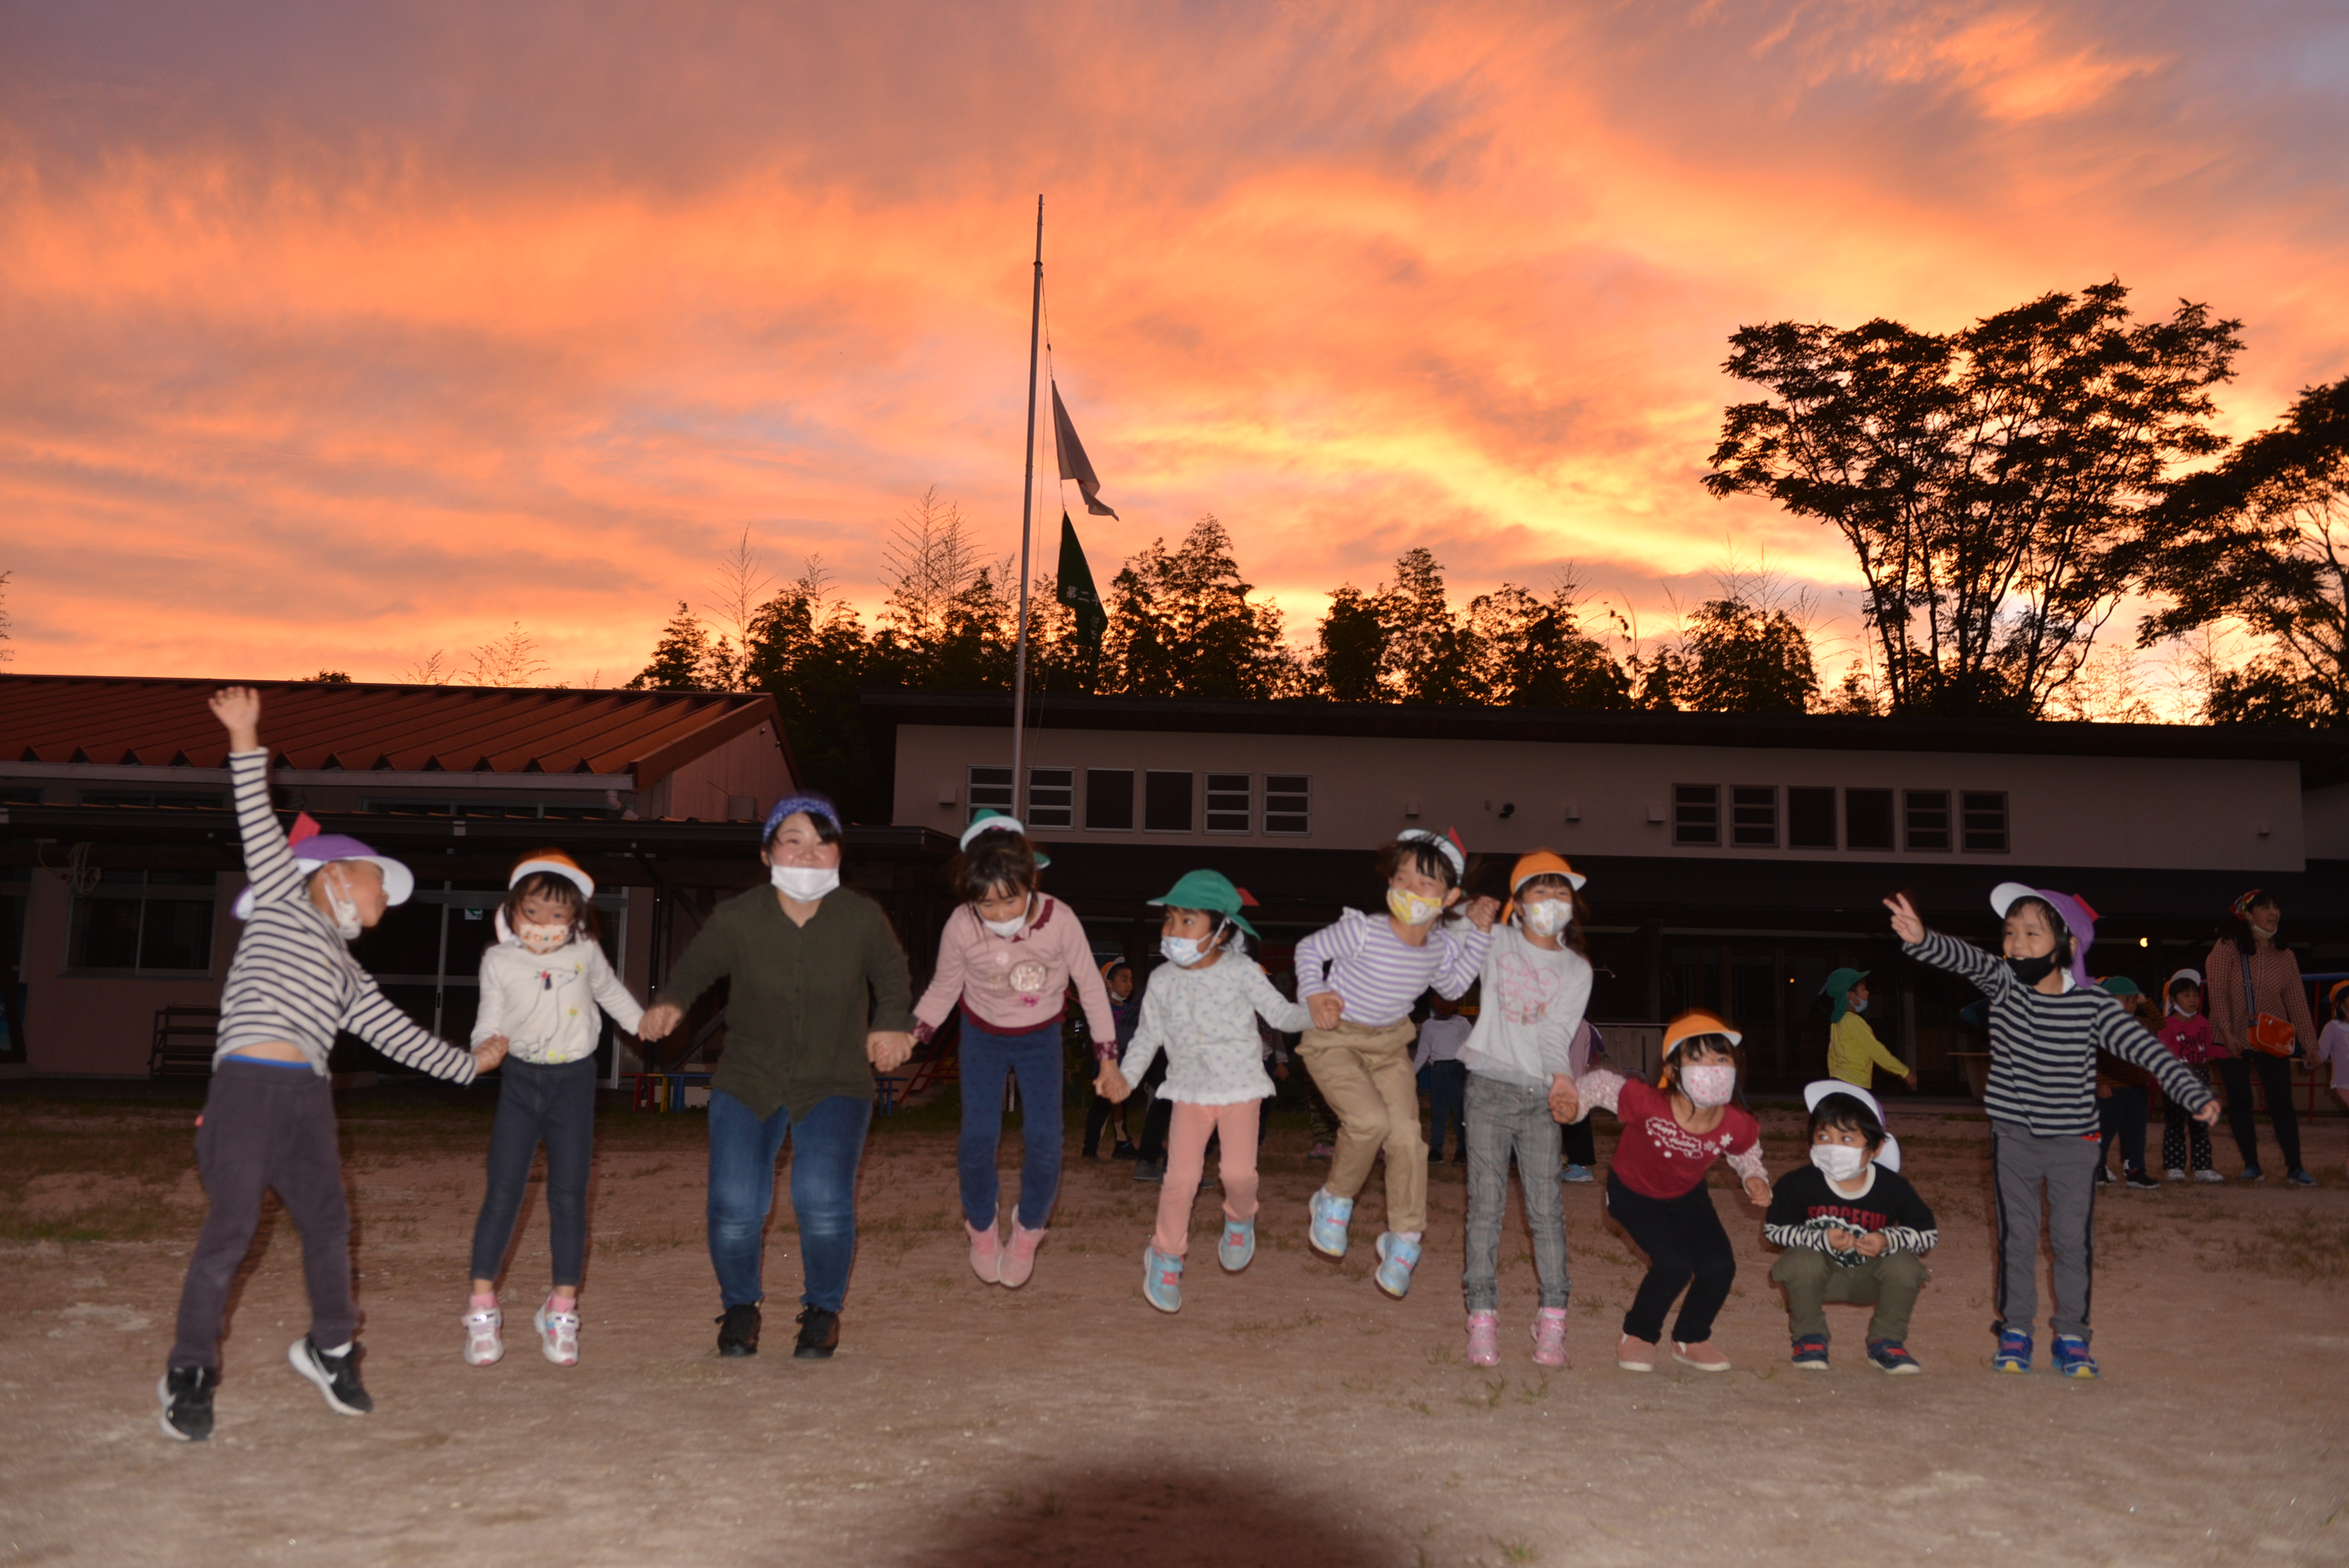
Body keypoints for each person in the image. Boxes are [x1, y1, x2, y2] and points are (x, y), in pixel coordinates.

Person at [161, 688, 505, 1443]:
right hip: (247, 1088)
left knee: (328, 1223)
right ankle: (189, 1370)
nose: (387, 897)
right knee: (232, 1227)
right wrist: (247, 738)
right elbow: (258, 823)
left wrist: (469, 1065)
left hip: (307, 1100)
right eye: (379, 881)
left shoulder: (352, 974)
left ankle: (331, 1348)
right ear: (335, 877)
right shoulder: (285, 900)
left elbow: (396, 1035)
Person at [1887, 884, 2217, 1379]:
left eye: (2031, 933)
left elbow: (2145, 1050)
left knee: (2070, 1240)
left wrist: (2192, 1093)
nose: (2016, 943)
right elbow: (1968, 960)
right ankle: (2016, 1330)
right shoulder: (2004, 983)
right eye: (2010, 932)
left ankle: (2071, 1337)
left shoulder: (2093, 1005)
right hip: (2014, 1138)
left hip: (2075, 1145)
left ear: (2067, 946)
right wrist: (1923, 938)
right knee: (2017, 1237)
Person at [636, 793, 913, 1361]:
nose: (809, 853)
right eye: (794, 840)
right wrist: (671, 1003)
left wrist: (890, 1027)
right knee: (736, 1202)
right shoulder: (737, 917)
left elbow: (892, 977)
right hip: (748, 1079)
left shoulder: (862, 917)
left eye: (823, 842)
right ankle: (740, 1306)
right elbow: (695, 968)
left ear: (839, 854)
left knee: (822, 1197)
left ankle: (822, 1311)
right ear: (767, 854)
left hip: (834, 1079)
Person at [911, 811, 1121, 1287]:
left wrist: (1107, 1058)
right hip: (982, 1034)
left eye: (1010, 900)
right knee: (978, 1139)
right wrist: (913, 1035)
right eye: (986, 905)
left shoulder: (1059, 920)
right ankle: (982, 1228)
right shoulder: (961, 925)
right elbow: (945, 987)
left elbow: (1091, 987)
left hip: (1040, 1036)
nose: (1000, 914)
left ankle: (1028, 1231)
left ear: (1031, 880)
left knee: (1046, 1142)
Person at [1294, 828, 1499, 1299]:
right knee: (1367, 1121)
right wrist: (1315, 992)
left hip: (1389, 1046)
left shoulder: (1440, 946)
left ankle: (1404, 1240)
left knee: (1407, 1137)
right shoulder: (1363, 928)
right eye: (1401, 878)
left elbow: (1451, 988)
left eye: (1424, 884)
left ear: (1448, 898)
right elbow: (1309, 950)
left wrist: (1481, 934)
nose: (1408, 890)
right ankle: (1333, 1201)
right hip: (1335, 1038)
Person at [462, 850, 646, 1369]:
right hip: (520, 1080)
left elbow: (609, 993)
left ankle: (561, 1310)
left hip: (573, 1082)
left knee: (569, 1194)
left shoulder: (584, 954)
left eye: (557, 914)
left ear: (578, 918)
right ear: (513, 911)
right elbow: (488, 1018)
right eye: (533, 912)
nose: (543, 924)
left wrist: (642, 1023)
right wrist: (483, 1051)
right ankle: (482, 1308)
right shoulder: (499, 961)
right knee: (503, 1190)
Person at [1096, 871, 1310, 1313]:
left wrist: (1316, 1012)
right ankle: (1167, 1256)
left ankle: (1239, 1218)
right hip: (1189, 1093)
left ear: (1221, 930)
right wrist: (1126, 1078)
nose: (1173, 931)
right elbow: (1147, 1038)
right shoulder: (1162, 981)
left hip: (1241, 1090)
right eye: (1170, 920)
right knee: (1180, 1179)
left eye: (1186, 921)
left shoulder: (1242, 971)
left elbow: (1282, 1014)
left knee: (1237, 1176)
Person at [1564, 1010, 1770, 1374]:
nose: (1712, 1066)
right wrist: (1574, 1105)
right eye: (1698, 1057)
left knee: (1719, 1265)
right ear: (1674, 1072)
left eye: (1721, 1058)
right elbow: (1600, 1084)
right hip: (1633, 1192)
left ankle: (1690, 1339)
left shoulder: (1735, 1121)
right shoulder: (1648, 1103)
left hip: (1687, 1195)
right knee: (1674, 1263)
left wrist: (1754, 1176)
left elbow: (1744, 1149)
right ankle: (1639, 1335)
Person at [1457, 852, 1592, 1368]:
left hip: (1539, 1096)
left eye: (1562, 893)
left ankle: (1553, 1319)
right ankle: (1482, 1317)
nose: (1553, 902)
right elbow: (1440, 927)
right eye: (1541, 891)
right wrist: (1468, 912)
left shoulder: (1576, 969)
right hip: (1488, 1086)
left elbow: (1557, 1032)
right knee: (1485, 1206)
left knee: (1546, 1210)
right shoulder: (1497, 940)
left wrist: (1562, 1079)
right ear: (1518, 904)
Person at [1765, 1083, 1937, 1374]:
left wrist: (1887, 1240)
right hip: (1819, 1278)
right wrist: (1820, 1238)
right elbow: (1774, 1230)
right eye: (1823, 1136)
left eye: (1846, 1138)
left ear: (1876, 1147)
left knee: (1905, 1264)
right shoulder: (1798, 1183)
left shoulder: (1893, 1187)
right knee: (1799, 1260)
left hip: (1873, 1278)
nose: (1832, 1147)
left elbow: (1927, 1235)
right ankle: (1810, 1337)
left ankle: (1886, 1341)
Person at [2204, 890, 2319, 1186]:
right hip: (2232, 1036)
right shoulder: (2227, 948)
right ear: (2248, 914)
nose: (2273, 913)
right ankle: (2252, 1166)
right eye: (2265, 907)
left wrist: (2311, 1044)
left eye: (2276, 907)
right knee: (2240, 1100)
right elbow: (2217, 994)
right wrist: (2228, 1033)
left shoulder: (2285, 955)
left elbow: (2297, 1003)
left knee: (2281, 1101)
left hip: (2271, 1039)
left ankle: (2295, 1167)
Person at [2157, 970, 2222, 1182]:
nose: (2193, 1000)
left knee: (2201, 1124)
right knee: (2175, 1123)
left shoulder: (2203, 1022)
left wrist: (2232, 1051)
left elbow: (2209, 1050)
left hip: (2201, 1076)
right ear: (2173, 1000)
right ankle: (2174, 1165)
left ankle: (2203, 1167)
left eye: (2195, 995)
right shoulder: (2167, 1026)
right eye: (2186, 995)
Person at [1082, 958, 1142, 1160]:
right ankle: (1090, 1148)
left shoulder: (1128, 1011)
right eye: (1123, 979)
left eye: (1131, 980)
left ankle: (1121, 1144)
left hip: (1124, 1068)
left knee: (1119, 1106)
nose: (1128, 984)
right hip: (1106, 1067)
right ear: (1108, 984)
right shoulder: (1101, 1009)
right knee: (1101, 1107)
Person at [1820, 967, 1916, 1093]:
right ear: (1851, 996)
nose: (1867, 993)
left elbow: (1832, 1053)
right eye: (1863, 989)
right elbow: (1876, 1050)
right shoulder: (1855, 1022)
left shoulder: (1837, 1021)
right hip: (1855, 1082)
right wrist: (1904, 1072)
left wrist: (1833, 1076)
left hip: (1840, 1079)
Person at [1413, 992, 1474, 1164]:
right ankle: (1436, 1150)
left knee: (1459, 1115)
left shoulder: (1461, 1023)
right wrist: (1411, 1074)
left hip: (1456, 1069)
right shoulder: (1428, 1025)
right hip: (1436, 1071)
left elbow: (1471, 1047)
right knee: (1438, 1114)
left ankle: (1462, 1151)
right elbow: (1423, 1051)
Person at [1558, 1021, 1604, 1182]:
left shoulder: (1575, 1026)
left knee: (1575, 1124)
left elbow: (1575, 1060)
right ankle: (1575, 1163)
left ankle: (1579, 1165)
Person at [2319, 982, 2349, 1174]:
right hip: (2345, 1083)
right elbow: (2320, 1054)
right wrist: (2309, 1061)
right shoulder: (2333, 1027)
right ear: (2339, 1004)